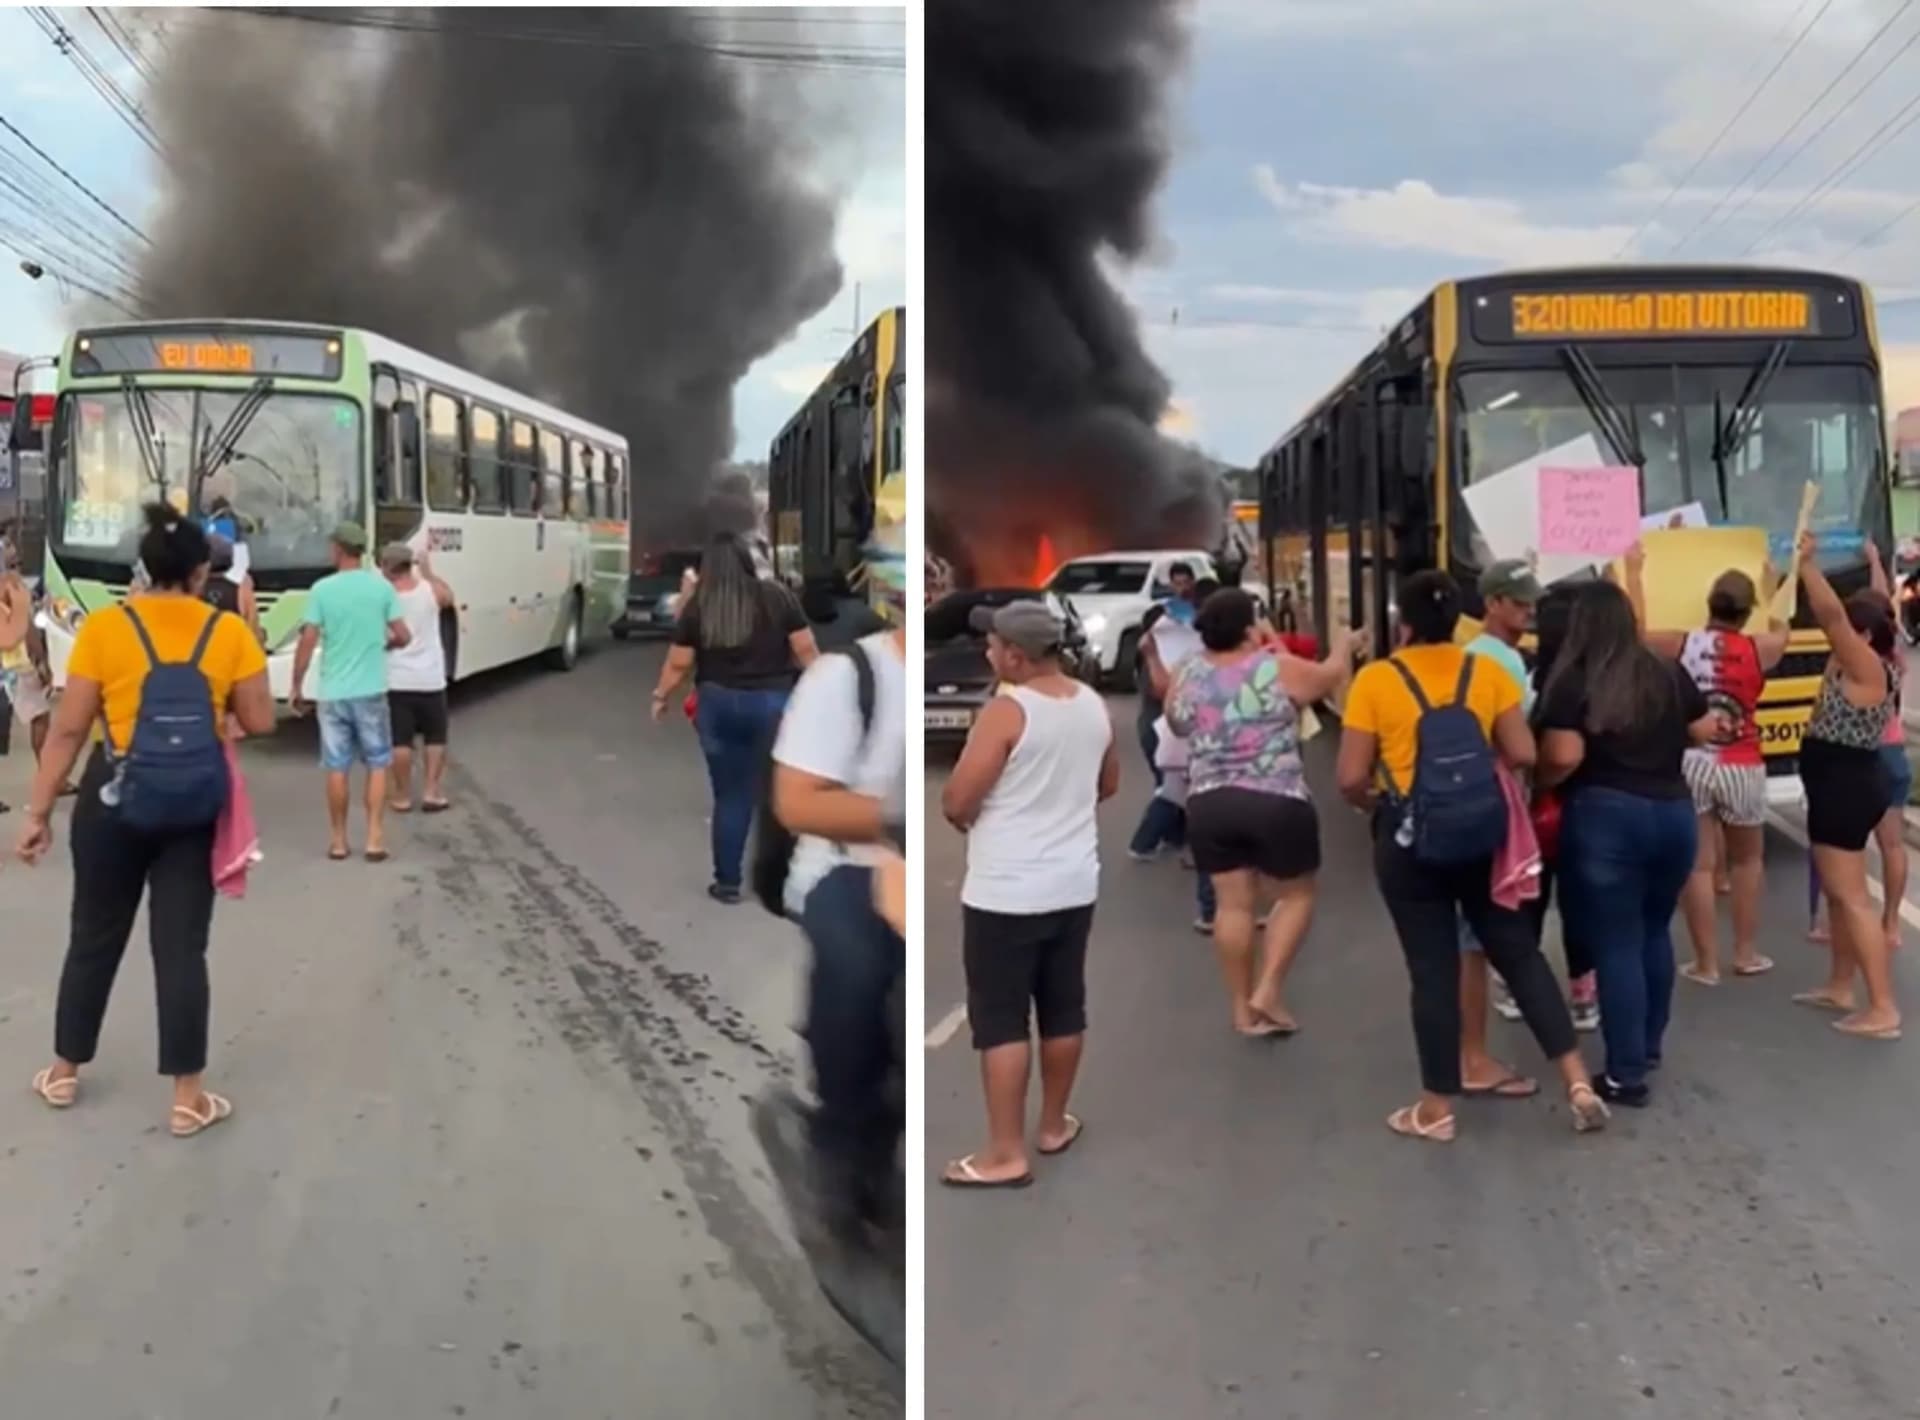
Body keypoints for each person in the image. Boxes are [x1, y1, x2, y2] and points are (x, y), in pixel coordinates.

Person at [18, 504, 274, 1136]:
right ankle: (188, 1099)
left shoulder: (107, 629)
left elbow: (70, 729)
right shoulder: (228, 632)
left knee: (94, 935)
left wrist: (38, 812)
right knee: (182, 947)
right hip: (191, 804)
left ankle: (64, 1071)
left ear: (142, 569)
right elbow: (263, 719)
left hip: (114, 793)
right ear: (197, 571)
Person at [1337, 570, 1607, 1142]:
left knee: (1432, 970)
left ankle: (1435, 1109)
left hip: (1410, 841)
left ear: (1402, 622)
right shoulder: (1483, 672)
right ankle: (1577, 1079)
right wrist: (1476, 782)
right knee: (1518, 953)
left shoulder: (1376, 680)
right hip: (1482, 834)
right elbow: (1523, 750)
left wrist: (1378, 801)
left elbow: (1349, 776)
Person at [753, 603, 906, 1359]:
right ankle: (837, 1156)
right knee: (857, 980)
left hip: (930, 878)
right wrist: (901, 819)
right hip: (845, 870)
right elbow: (797, 801)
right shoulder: (849, 678)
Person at [941, 600, 1116, 1187]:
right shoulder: (1091, 703)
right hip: (1074, 883)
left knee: (1001, 1019)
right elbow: (1108, 782)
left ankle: (1004, 1154)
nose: (987, 651)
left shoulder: (1007, 711)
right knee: (1064, 1005)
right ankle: (1052, 1125)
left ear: (1016, 654)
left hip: (1006, 891)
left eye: (992, 644)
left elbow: (958, 801)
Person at [1538, 579, 1723, 1108]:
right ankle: (1647, 1045)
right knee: (1653, 932)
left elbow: (1563, 755)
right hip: (1674, 813)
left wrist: (1539, 786)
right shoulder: (1664, 670)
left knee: (1616, 941)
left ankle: (1624, 1074)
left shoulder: (1574, 679)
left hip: (1606, 817)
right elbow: (1705, 728)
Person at [1166, 586, 1353, 1037]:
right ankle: (1268, 989)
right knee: (1295, 895)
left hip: (1209, 801)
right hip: (1276, 797)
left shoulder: (1186, 671)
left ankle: (1241, 1011)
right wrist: (1345, 644)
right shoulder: (1274, 667)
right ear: (1249, 627)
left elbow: (1177, 722)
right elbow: (1328, 679)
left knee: (1233, 906)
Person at [1622, 547, 1789, 984]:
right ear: (1746, 610)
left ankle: (1705, 962)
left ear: (1708, 604)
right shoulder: (1762, 648)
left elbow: (1634, 631)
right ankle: (1746, 953)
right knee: (1747, 861)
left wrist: (1637, 574)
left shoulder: (1681, 643)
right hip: (1743, 763)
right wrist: (1773, 591)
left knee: (1698, 865)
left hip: (1692, 759)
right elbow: (1782, 627)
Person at [652, 533, 819, 903]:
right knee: (779, 795)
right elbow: (805, 649)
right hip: (774, 706)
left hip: (718, 705)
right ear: (747, 561)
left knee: (731, 796)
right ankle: (782, 883)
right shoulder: (776, 596)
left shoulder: (700, 606)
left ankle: (727, 883)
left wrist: (661, 696)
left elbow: (679, 662)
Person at [1792, 532, 1901, 1039]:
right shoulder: (1865, 657)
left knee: (1853, 897)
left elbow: (1832, 617)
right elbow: (1872, 603)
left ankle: (1883, 1007)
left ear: (1861, 632)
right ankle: (1841, 984)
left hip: (1845, 787)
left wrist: (1808, 565)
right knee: (1839, 894)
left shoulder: (1865, 664)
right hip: (1838, 783)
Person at [291, 521, 411, 862]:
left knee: (337, 766)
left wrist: (297, 685)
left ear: (339, 550)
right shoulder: (381, 589)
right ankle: (374, 838)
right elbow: (403, 634)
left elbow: (308, 639)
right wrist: (383, 643)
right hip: (371, 689)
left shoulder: (321, 590)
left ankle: (339, 841)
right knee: (376, 763)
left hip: (333, 693)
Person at [381, 543, 455, 813]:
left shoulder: (385, 596)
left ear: (387, 568)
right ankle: (432, 791)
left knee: (400, 740)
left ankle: (401, 795)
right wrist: (429, 571)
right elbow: (448, 598)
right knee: (435, 737)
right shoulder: (429, 591)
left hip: (397, 678)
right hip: (431, 678)